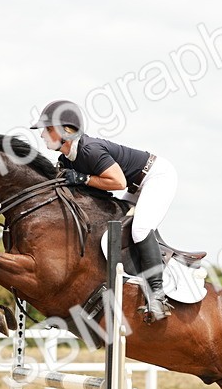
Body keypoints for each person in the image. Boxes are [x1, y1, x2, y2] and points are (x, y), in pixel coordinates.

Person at [30, 99, 177, 322]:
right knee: (116, 225)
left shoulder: (89, 150)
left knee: (139, 229)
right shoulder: (66, 159)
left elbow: (117, 182)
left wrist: (83, 178)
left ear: (65, 131)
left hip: (156, 177)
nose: (42, 135)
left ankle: (157, 296)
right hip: (135, 185)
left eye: (48, 129)